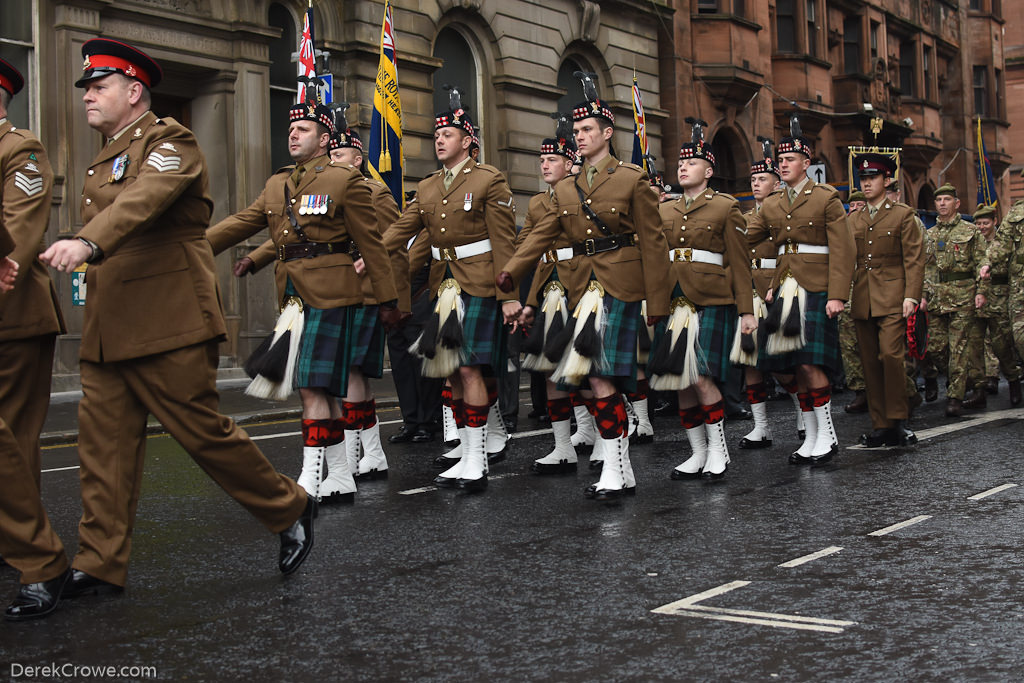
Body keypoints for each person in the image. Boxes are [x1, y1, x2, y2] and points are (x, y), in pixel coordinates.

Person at [38, 39, 316, 598]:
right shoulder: (102, 154)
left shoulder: (171, 141)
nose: (88, 96)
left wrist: (86, 242)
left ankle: (290, 507)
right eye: (86, 88)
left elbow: (145, 197)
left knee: (200, 433)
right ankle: (99, 562)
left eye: (99, 87)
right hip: (110, 324)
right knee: (102, 449)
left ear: (134, 91)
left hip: (169, 318)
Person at [207, 86, 403, 504]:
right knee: (316, 388)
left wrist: (387, 302)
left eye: (303, 128)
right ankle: (340, 476)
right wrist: (195, 246)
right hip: (294, 296)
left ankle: (309, 478)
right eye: (291, 128)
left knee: (312, 387)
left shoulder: (345, 180)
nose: (293, 135)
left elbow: (373, 247)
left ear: (325, 138)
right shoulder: (278, 182)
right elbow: (244, 221)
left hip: (334, 292)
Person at [496, 73, 671, 501]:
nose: (580, 136)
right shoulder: (567, 187)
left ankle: (614, 466)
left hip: (621, 285)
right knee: (593, 380)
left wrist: (659, 303)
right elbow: (540, 235)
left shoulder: (632, 179)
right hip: (582, 288)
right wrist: (511, 272)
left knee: (603, 376)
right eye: (576, 132)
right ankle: (621, 466)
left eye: (587, 129)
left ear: (607, 133)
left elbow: (654, 243)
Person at [383, 87, 519, 493]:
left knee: (467, 367)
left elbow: (504, 241)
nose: (439, 140)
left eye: (447, 135)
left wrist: (509, 294)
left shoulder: (489, 180)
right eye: (436, 136)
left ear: (468, 141)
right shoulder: (426, 187)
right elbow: (401, 230)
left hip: (478, 282)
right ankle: (467, 450)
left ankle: (477, 459)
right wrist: (369, 256)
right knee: (452, 372)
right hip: (445, 286)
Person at [0, 56, 70, 620]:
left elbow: (20, 234)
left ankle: (32, 556)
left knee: (14, 436)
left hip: (14, 314)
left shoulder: (20, 150)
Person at [746, 115, 855, 464]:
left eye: (790, 160)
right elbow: (746, 234)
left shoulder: (826, 198)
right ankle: (811, 436)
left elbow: (843, 249)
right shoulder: (774, 203)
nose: (784, 164)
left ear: (806, 164)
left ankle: (826, 435)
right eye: (781, 161)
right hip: (785, 291)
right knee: (794, 365)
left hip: (818, 287)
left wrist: (838, 294)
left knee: (810, 363)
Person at [650, 119, 755, 480]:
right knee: (680, 378)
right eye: (680, 163)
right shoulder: (663, 210)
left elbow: (740, 264)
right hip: (674, 300)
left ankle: (718, 451)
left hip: (710, 298)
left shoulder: (725, 207)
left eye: (691, 163)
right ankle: (697, 453)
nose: (683, 167)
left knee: (702, 377)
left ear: (708, 171)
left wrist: (746, 311)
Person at [517, 115, 582, 474]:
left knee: (586, 369)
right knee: (551, 369)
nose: (544, 165)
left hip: (581, 287)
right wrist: (526, 300)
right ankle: (562, 446)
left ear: (569, 162)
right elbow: (526, 247)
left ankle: (595, 436)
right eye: (542, 160)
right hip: (550, 290)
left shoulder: (584, 194)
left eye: (552, 159)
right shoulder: (538, 203)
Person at [847, 153, 923, 446]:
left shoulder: (902, 214)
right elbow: (845, 259)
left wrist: (911, 296)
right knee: (870, 362)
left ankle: (898, 420)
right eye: (863, 179)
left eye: (872, 178)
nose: (866, 184)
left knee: (891, 357)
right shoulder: (854, 219)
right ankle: (881, 424)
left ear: (887, 180)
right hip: (863, 297)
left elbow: (913, 260)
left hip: (893, 297)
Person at [738, 139, 805, 450]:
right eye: (752, 180)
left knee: (779, 363)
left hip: (772, 289)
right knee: (749, 362)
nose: (756, 184)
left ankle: (802, 411)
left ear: (777, 183)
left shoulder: (783, 212)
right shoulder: (744, 216)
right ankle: (760, 426)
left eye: (762, 178)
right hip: (748, 290)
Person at [920, 184, 986, 416]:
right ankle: (963, 380)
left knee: (958, 349)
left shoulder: (970, 231)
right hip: (939, 298)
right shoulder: (929, 235)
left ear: (957, 203)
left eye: (947, 199)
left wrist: (981, 291)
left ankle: (955, 398)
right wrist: (924, 296)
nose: (942, 204)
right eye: (939, 200)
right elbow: (927, 268)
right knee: (937, 348)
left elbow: (981, 263)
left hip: (963, 296)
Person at [975, 205, 1023, 405]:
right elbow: (1002, 242)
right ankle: (1014, 379)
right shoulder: (1016, 213)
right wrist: (988, 263)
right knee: (1019, 337)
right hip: (1020, 286)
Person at [841, 189, 868, 412]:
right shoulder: (842, 227)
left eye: (860, 205)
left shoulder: (872, 223)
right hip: (847, 294)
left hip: (870, 290)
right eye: (853, 206)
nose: (856, 209)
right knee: (849, 346)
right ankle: (860, 391)